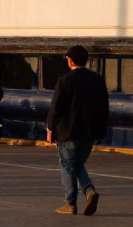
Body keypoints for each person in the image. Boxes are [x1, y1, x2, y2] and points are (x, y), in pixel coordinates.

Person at [47, 45, 110, 215]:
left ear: (70, 61)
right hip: (89, 132)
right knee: (77, 164)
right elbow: (104, 108)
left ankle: (71, 203)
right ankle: (88, 192)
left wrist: (50, 128)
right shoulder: (98, 80)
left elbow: (56, 108)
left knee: (68, 166)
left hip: (68, 131)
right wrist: (101, 131)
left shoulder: (65, 80)